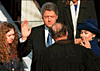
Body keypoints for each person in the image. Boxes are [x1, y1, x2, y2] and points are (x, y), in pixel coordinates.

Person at [36, 22, 100, 71]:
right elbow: (95, 67)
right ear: (66, 33)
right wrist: (89, 52)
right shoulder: (82, 51)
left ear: (52, 36)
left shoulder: (45, 54)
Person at [18, 2, 58, 71]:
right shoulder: (34, 32)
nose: (49, 20)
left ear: (56, 17)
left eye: (52, 17)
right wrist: (24, 38)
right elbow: (22, 53)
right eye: (46, 17)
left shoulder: (63, 32)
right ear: (42, 17)